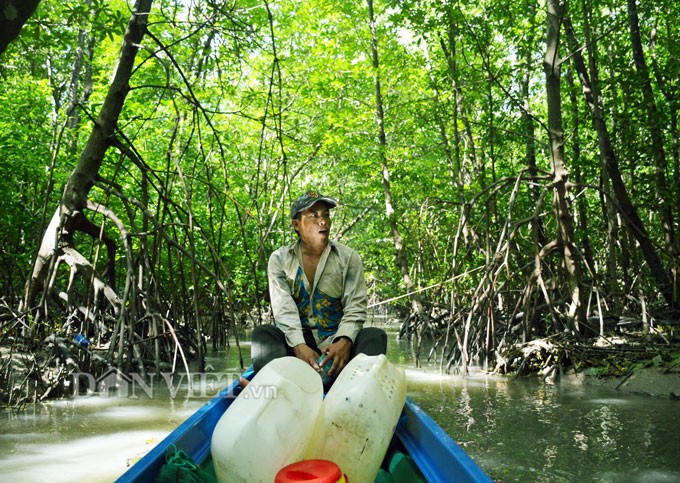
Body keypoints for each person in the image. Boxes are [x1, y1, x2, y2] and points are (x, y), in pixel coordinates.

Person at [250, 190, 386, 388]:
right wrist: (299, 346)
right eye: (313, 215)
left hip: (336, 342)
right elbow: (284, 310)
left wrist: (345, 341)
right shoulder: (279, 259)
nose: (322, 221)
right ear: (296, 225)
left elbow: (355, 307)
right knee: (263, 335)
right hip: (296, 344)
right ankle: (276, 391)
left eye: (326, 215)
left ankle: (357, 391)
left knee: (374, 336)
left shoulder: (348, 258)